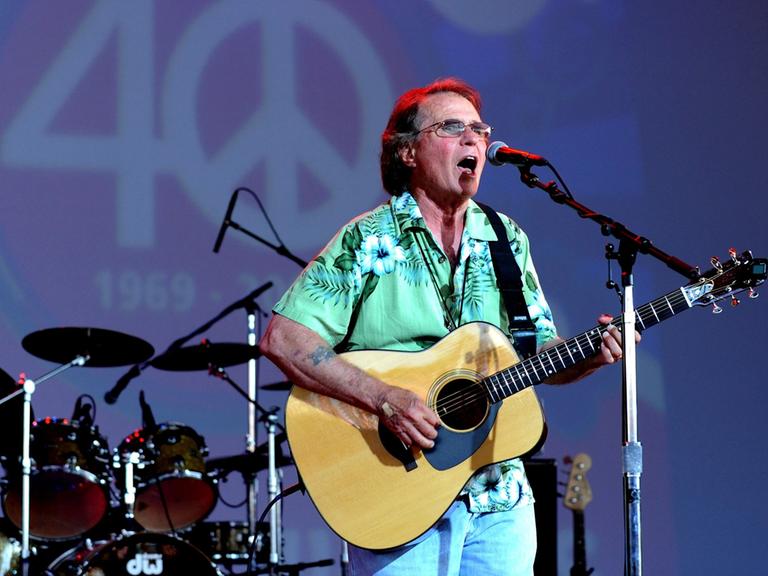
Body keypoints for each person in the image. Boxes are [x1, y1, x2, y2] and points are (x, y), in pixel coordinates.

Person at [259, 77, 636, 576]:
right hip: (397, 491)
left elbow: (538, 352)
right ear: (408, 152)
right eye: (452, 127)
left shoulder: (506, 240)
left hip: (500, 500)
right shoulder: (369, 239)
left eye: (479, 130)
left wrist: (590, 354)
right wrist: (384, 398)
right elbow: (283, 338)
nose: (473, 140)